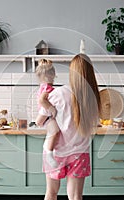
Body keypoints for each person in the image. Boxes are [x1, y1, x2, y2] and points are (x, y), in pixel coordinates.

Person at [39, 54, 100, 200]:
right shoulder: (94, 98)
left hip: (56, 152)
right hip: (80, 152)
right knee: (75, 196)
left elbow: (40, 120)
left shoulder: (57, 94)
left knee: (51, 193)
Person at [35, 59, 60, 168]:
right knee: (55, 132)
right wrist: (52, 110)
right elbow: (41, 100)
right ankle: (49, 153)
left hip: (46, 116)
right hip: (47, 116)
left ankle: (48, 149)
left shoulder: (44, 86)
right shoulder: (47, 88)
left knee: (52, 133)